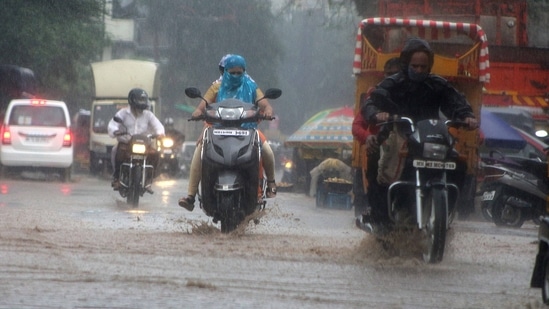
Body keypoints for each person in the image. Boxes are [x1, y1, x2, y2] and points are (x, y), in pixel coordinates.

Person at [361, 37, 478, 226]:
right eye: (415, 66)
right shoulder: (392, 84)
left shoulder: (438, 84)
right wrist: (376, 114)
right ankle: (380, 217)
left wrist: (466, 117)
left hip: (430, 139)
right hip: (399, 134)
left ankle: (446, 213)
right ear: (406, 63)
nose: (419, 71)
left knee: (460, 164)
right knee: (377, 158)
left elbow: (456, 102)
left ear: (429, 66)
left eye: (423, 67)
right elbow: (371, 102)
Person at [178, 54, 277, 211]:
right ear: (225, 72)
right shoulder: (217, 86)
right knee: (199, 151)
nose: (236, 76)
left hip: (248, 129)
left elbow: (265, 105)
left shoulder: (251, 86)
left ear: (244, 71)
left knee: (268, 152)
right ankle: (190, 196)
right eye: (232, 72)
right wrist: (197, 112)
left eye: (239, 72)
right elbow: (203, 105)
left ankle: (271, 183)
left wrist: (268, 112)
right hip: (217, 129)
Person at [352, 57, 400, 221]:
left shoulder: (413, 95)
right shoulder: (376, 95)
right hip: (382, 146)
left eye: (397, 74)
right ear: (384, 76)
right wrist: (369, 137)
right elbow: (357, 126)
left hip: (408, 148)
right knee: (375, 172)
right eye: (389, 75)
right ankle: (378, 215)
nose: (393, 78)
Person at [108, 88, 165, 190]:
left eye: (143, 100)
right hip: (126, 143)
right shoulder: (123, 113)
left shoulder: (149, 115)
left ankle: (148, 179)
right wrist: (115, 131)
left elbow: (158, 126)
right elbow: (112, 125)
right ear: (132, 100)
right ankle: (116, 177)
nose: (142, 103)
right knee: (116, 151)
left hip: (144, 144)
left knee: (155, 154)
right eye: (140, 100)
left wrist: (160, 134)